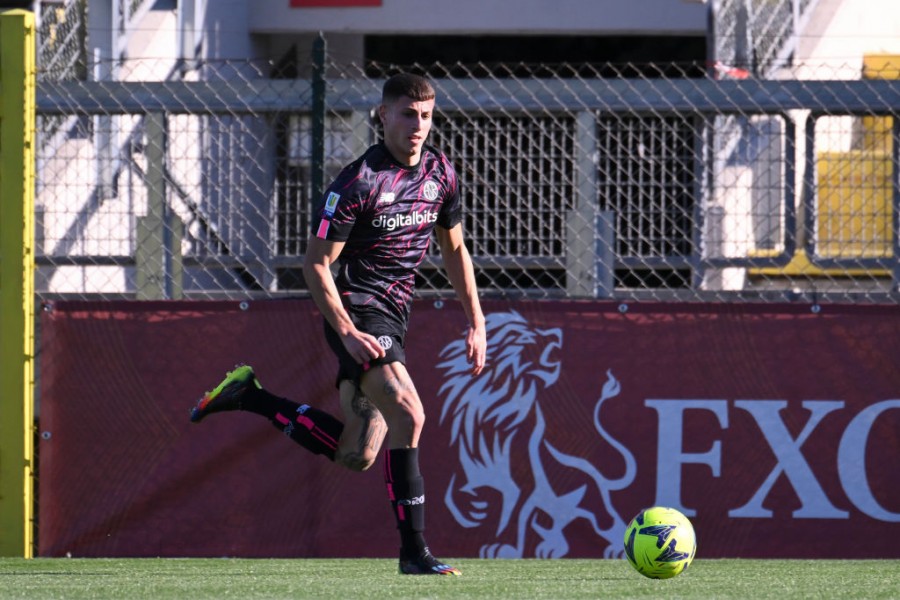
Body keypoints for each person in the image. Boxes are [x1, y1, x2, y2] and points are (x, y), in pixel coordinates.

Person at [190, 73, 487, 576]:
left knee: (357, 454)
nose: (418, 125)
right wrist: (348, 332)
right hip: (356, 311)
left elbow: (454, 248)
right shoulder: (359, 181)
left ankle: (250, 396)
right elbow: (317, 264)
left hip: (394, 314)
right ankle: (414, 555)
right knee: (410, 415)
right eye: (407, 114)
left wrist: (477, 322)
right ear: (383, 115)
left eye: (426, 115)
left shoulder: (440, 174)